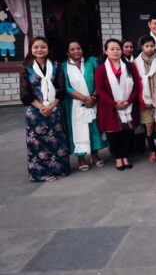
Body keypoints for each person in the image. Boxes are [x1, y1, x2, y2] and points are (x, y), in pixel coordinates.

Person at [20, 36, 70, 181]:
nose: (39, 50)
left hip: (54, 110)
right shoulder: (26, 67)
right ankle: (41, 173)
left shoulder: (56, 65)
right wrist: (42, 107)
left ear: (48, 49)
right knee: (39, 144)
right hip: (36, 112)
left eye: (43, 47)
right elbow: (25, 94)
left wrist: (52, 106)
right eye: (36, 47)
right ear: (31, 49)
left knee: (56, 141)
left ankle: (59, 170)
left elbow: (61, 90)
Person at [95, 39, 141, 171]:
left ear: (122, 51)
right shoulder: (101, 69)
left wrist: (128, 101)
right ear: (106, 51)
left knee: (127, 132)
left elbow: (137, 87)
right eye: (112, 49)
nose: (115, 51)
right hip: (109, 107)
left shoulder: (130, 67)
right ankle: (118, 158)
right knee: (113, 134)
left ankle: (126, 156)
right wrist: (114, 104)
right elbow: (100, 90)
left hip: (128, 105)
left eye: (118, 49)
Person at [62, 40, 106, 171]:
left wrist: (93, 97)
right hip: (75, 104)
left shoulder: (92, 61)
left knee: (93, 128)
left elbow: (99, 80)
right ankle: (81, 158)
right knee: (78, 130)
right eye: (72, 49)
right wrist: (85, 98)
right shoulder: (64, 66)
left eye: (78, 48)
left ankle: (94, 155)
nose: (76, 51)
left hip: (93, 101)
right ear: (67, 53)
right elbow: (66, 87)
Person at [136, 35, 156, 162]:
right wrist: (143, 99)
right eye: (147, 46)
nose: (150, 48)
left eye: (152, 46)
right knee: (148, 126)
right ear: (142, 47)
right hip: (144, 100)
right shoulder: (136, 63)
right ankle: (152, 151)